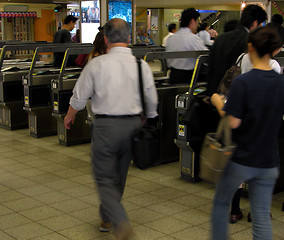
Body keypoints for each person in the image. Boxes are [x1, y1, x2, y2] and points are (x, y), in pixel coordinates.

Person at [64, 18, 158, 240]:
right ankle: (106, 217)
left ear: (105, 39)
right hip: (133, 126)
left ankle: (120, 221)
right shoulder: (141, 65)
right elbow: (151, 100)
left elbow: (79, 96)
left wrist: (69, 115)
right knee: (119, 175)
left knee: (104, 177)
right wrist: (151, 120)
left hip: (105, 126)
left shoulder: (97, 64)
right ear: (129, 38)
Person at [210, 26, 284, 240]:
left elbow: (233, 123)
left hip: (242, 158)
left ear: (251, 48)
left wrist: (218, 103)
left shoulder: (244, 82)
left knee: (220, 203)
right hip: (269, 161)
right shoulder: (281, 82)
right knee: (262, 214)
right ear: (274, 50)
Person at [207, 4, 267, 96]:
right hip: (235, 96)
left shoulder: (220, 38)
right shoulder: (250, 43)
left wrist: (210, 93)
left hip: (215, 94)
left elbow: (210, 67)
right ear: (255, 23)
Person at [166, 8, 207, 84]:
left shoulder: (171, 39)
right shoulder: (194, 39)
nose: (197, 25)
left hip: (173, 76)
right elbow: (205, 58)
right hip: (188, 78)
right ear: (192, 21)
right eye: (197, 21)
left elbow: (168, 61)